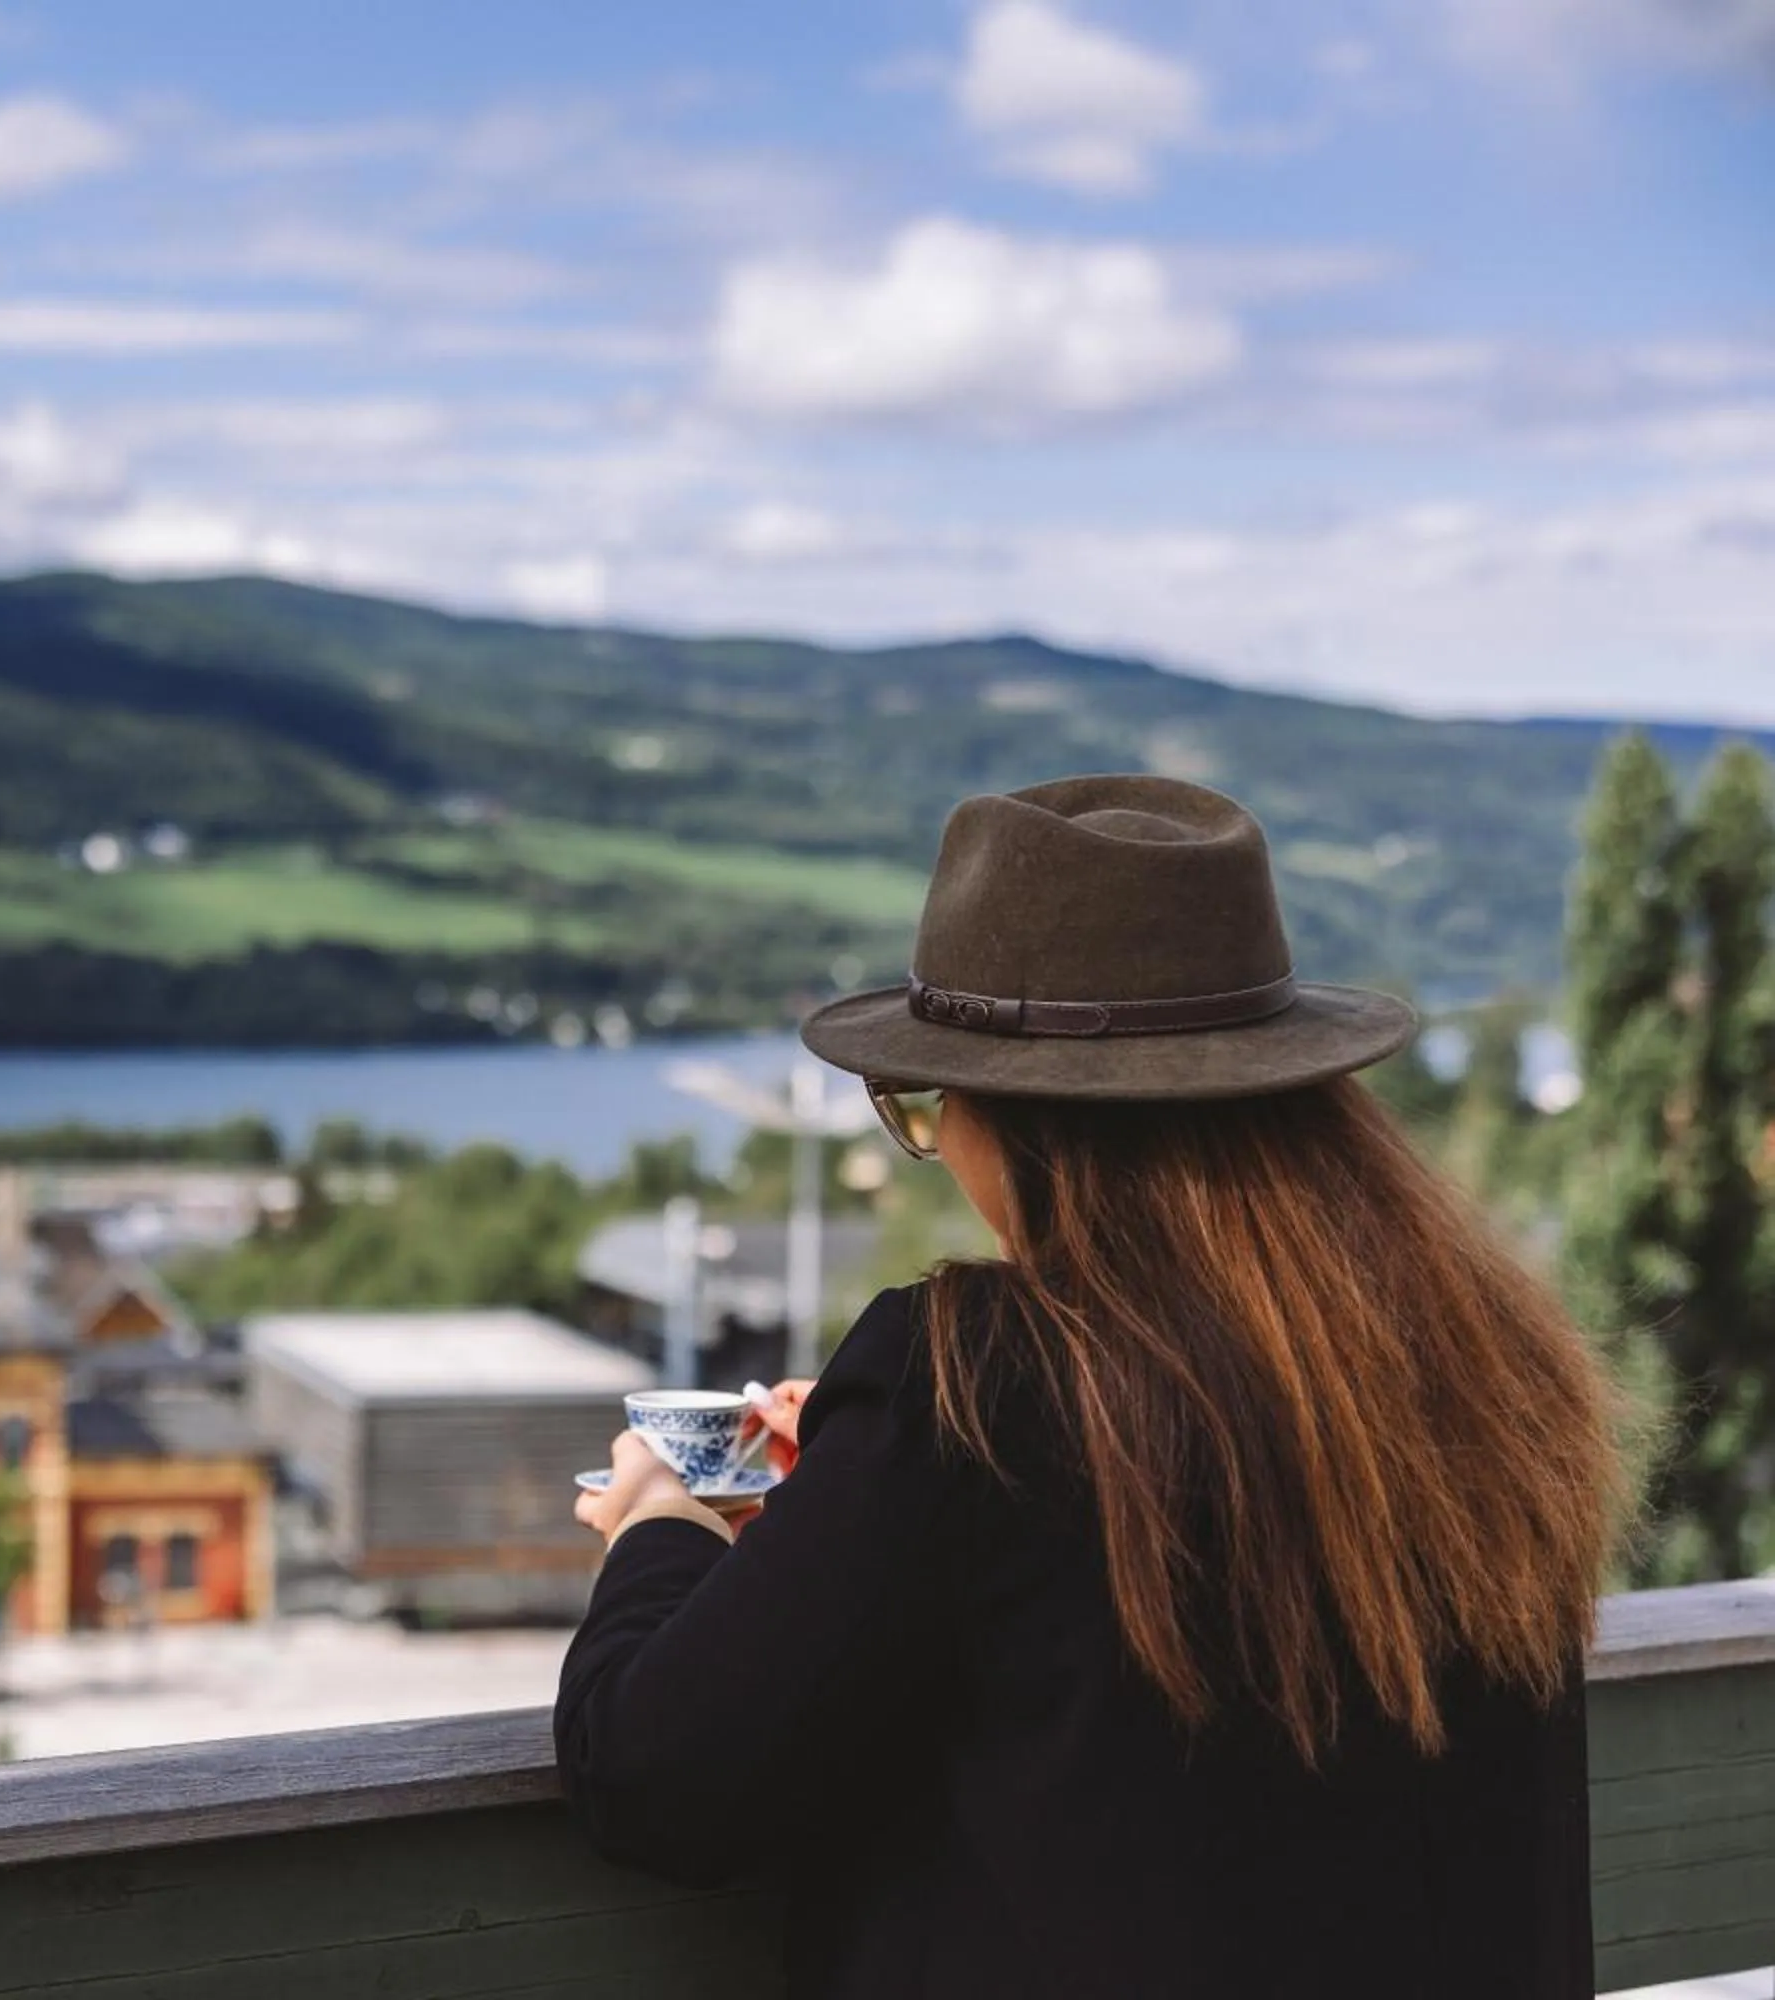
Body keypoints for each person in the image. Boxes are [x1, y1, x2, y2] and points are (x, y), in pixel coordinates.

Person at [554, 775, 1624, 2000]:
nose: (942, 1141)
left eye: (931, 1102)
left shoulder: (974, 1380)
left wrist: (665, 1518)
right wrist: (864, 1472)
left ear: (1031, 1120)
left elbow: (657, 1780)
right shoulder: (1477, 1361)